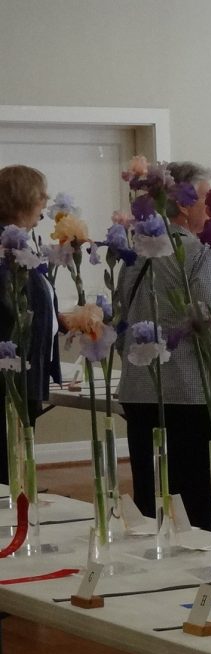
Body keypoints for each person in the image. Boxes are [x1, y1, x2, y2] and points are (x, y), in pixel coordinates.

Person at [117, 161, 211, 532]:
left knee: (154, 507)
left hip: (141, 394)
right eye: (207, 198)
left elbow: (123, 323)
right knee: (202, 513)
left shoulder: (136, 253)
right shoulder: (199, 253)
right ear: (186, 204)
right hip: (192, 399)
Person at [0, 165, 61, 485]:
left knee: (17, 458)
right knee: (8, 460)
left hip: (25, 372)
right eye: (41, 195)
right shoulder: (7, 245)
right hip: (9, 374)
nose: (45, 202)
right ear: (23, 198)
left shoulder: (23, 243)